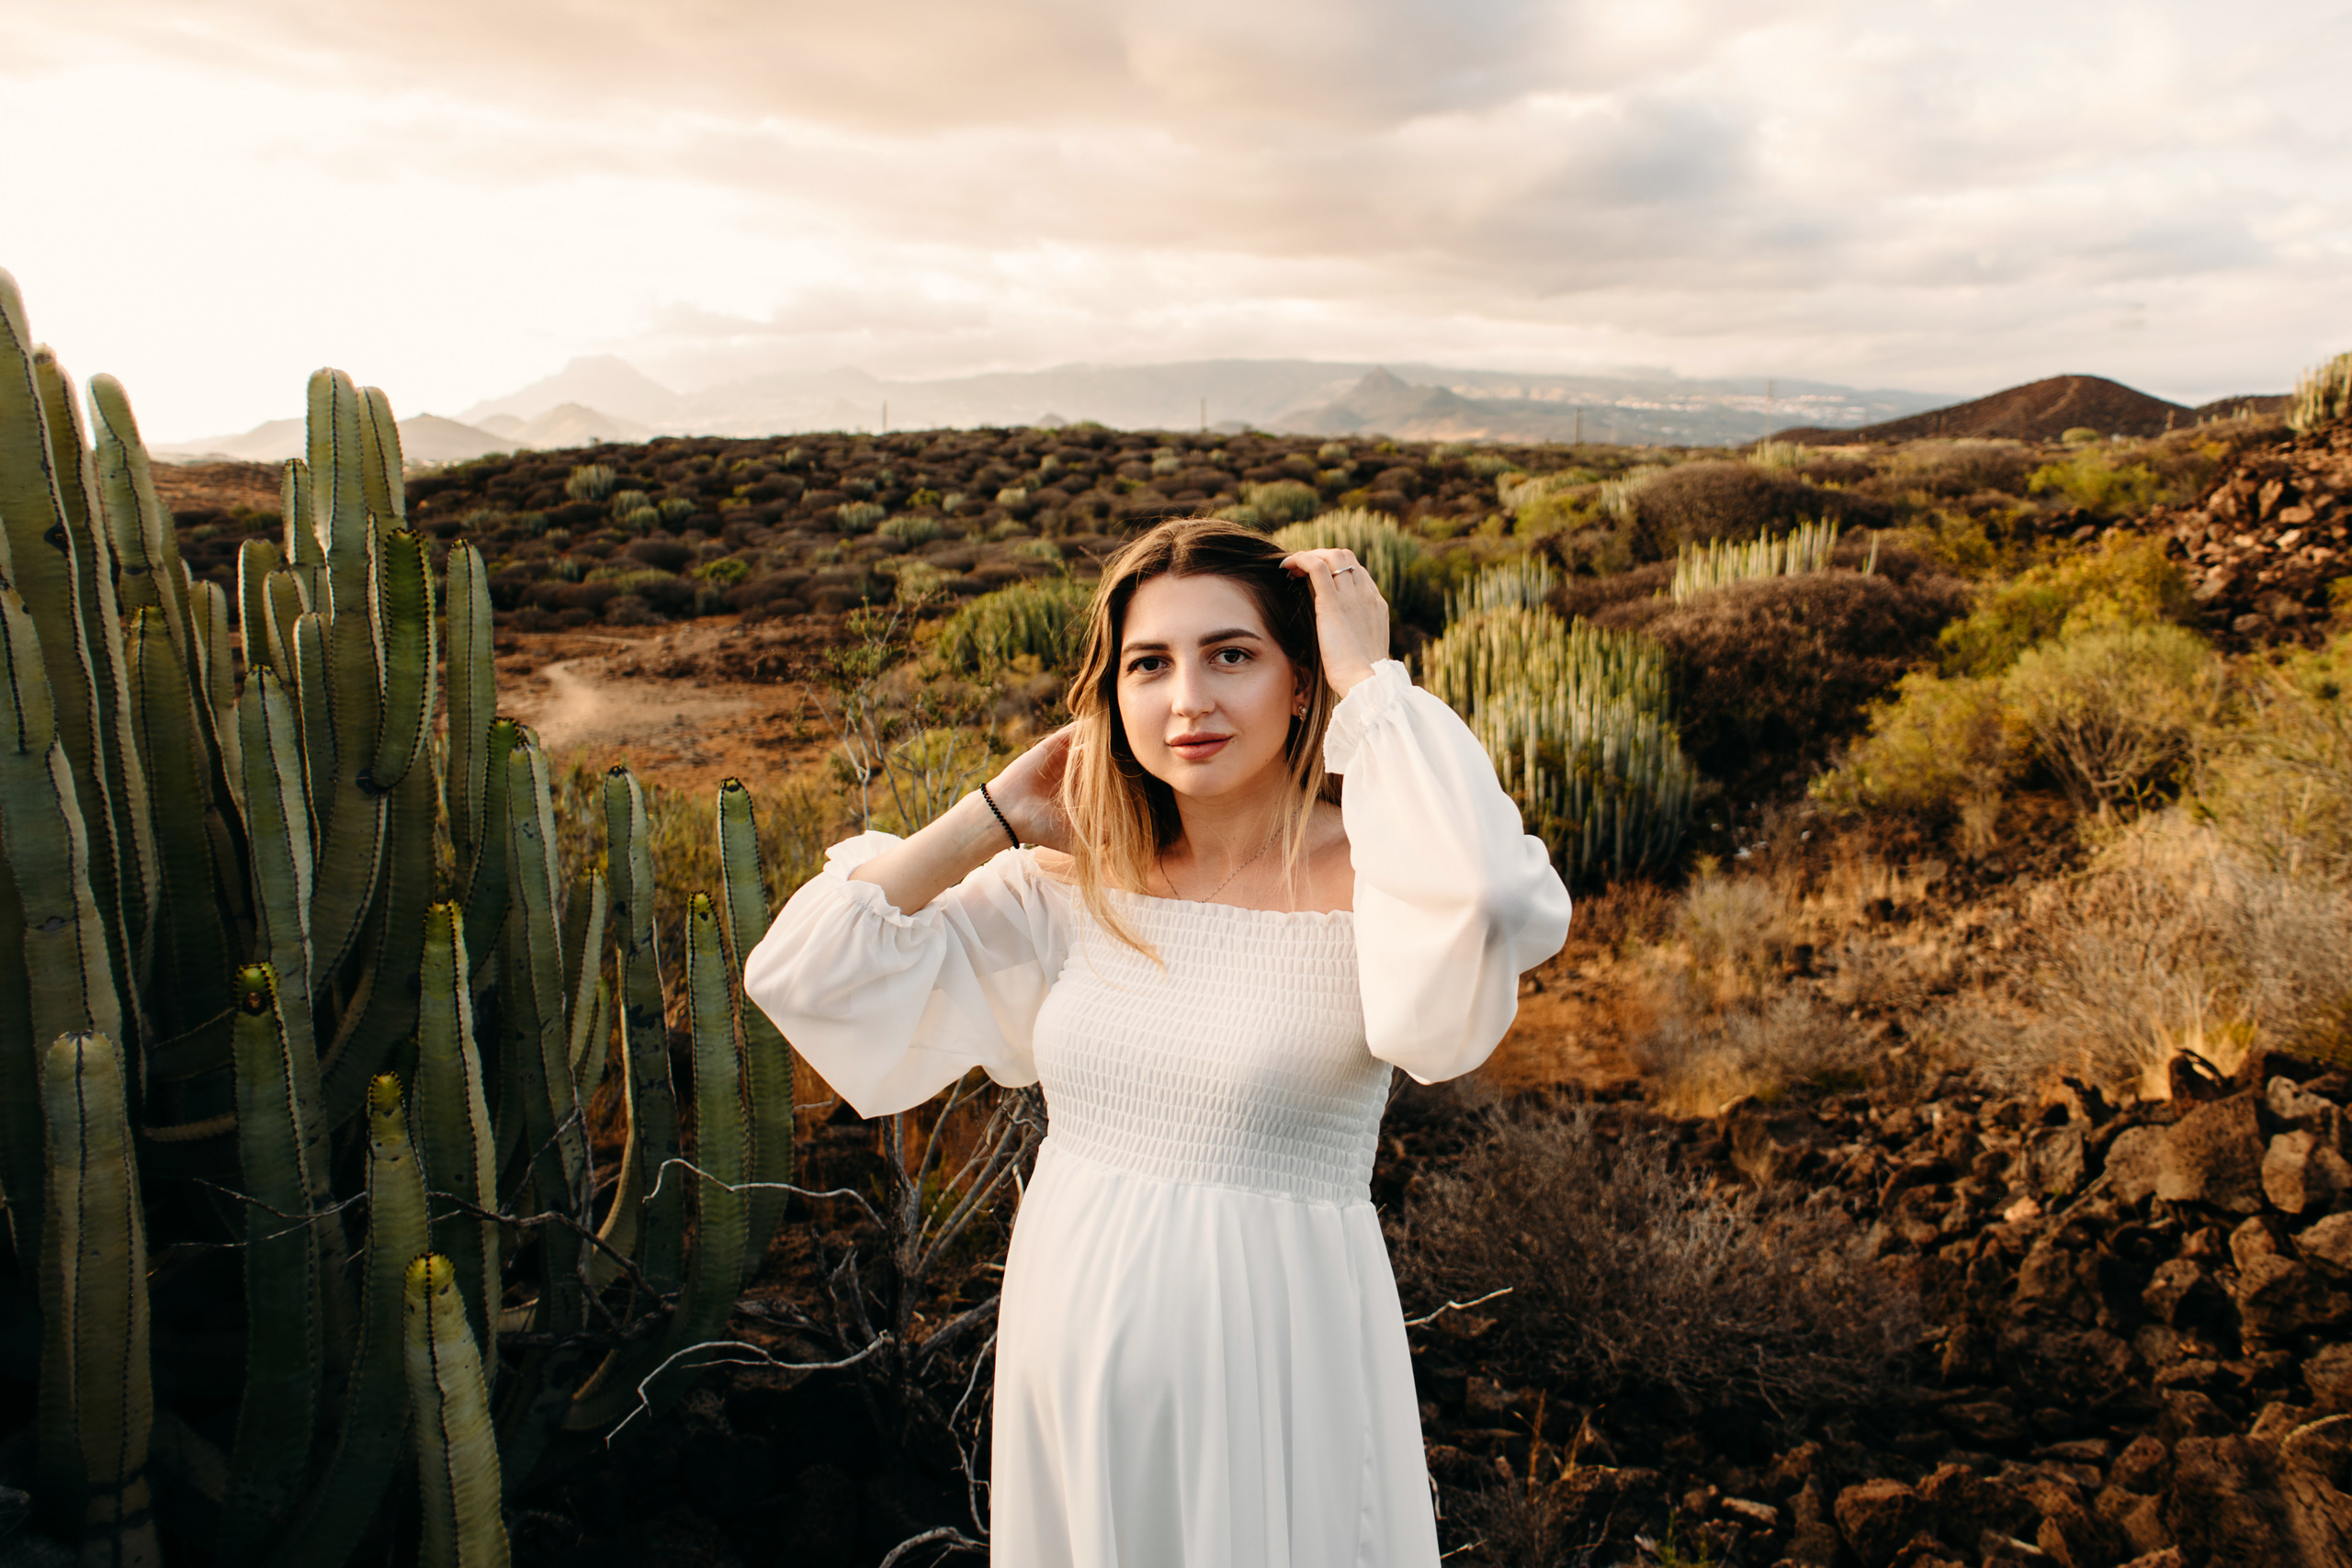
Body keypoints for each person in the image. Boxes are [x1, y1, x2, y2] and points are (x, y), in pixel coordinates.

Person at [744, 517, 1572, 1566]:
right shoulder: (1072, 882)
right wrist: (992, 815)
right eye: (1149, 664)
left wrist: (1371, 680)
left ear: (1301, 683)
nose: (1188, 699)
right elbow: (805, 973)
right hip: (1070, 1343)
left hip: (1272, 1360)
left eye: (1232, 655)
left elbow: (1492, 900)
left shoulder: (1381, 881)